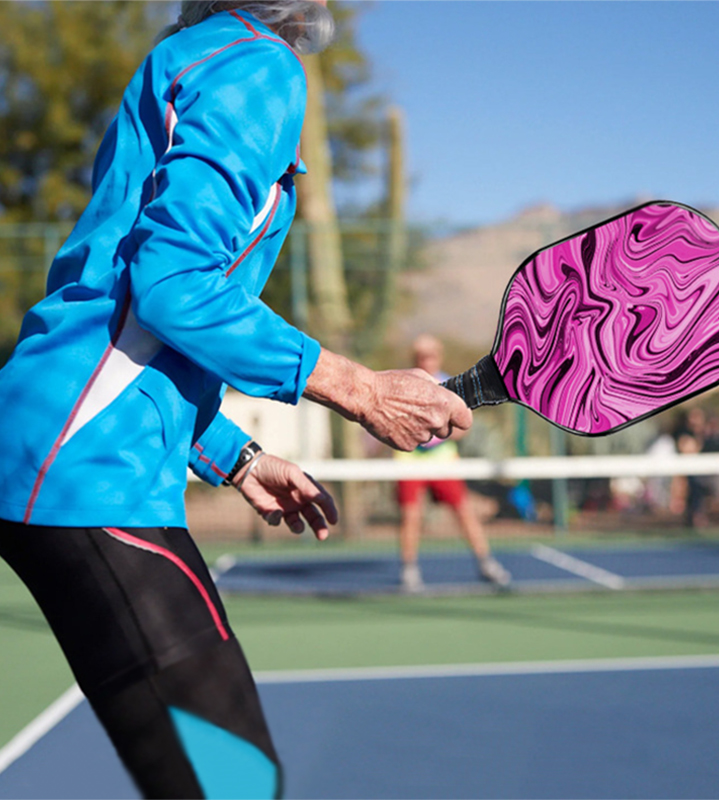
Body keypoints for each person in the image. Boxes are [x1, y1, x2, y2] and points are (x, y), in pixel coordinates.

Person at [0, 4, 471, 798]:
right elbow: (172, 287)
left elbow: (109, 305)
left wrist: (234, 453)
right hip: (88, 472)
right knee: (233, 787)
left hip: (53, 446)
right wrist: (359, 388)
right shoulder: (260, 65)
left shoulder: (188, 61)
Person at [395, 335, 511, 593]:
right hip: (409, 461)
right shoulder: (401, 384)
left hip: (444, 463)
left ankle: (485, 563)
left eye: (431, 355)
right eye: (421, 356)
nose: (426, 361)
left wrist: (439, 432)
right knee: (410, 516)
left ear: (439, 356)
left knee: (464, 512)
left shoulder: (451, 385)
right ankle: (409, 570)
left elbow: (462, 426)